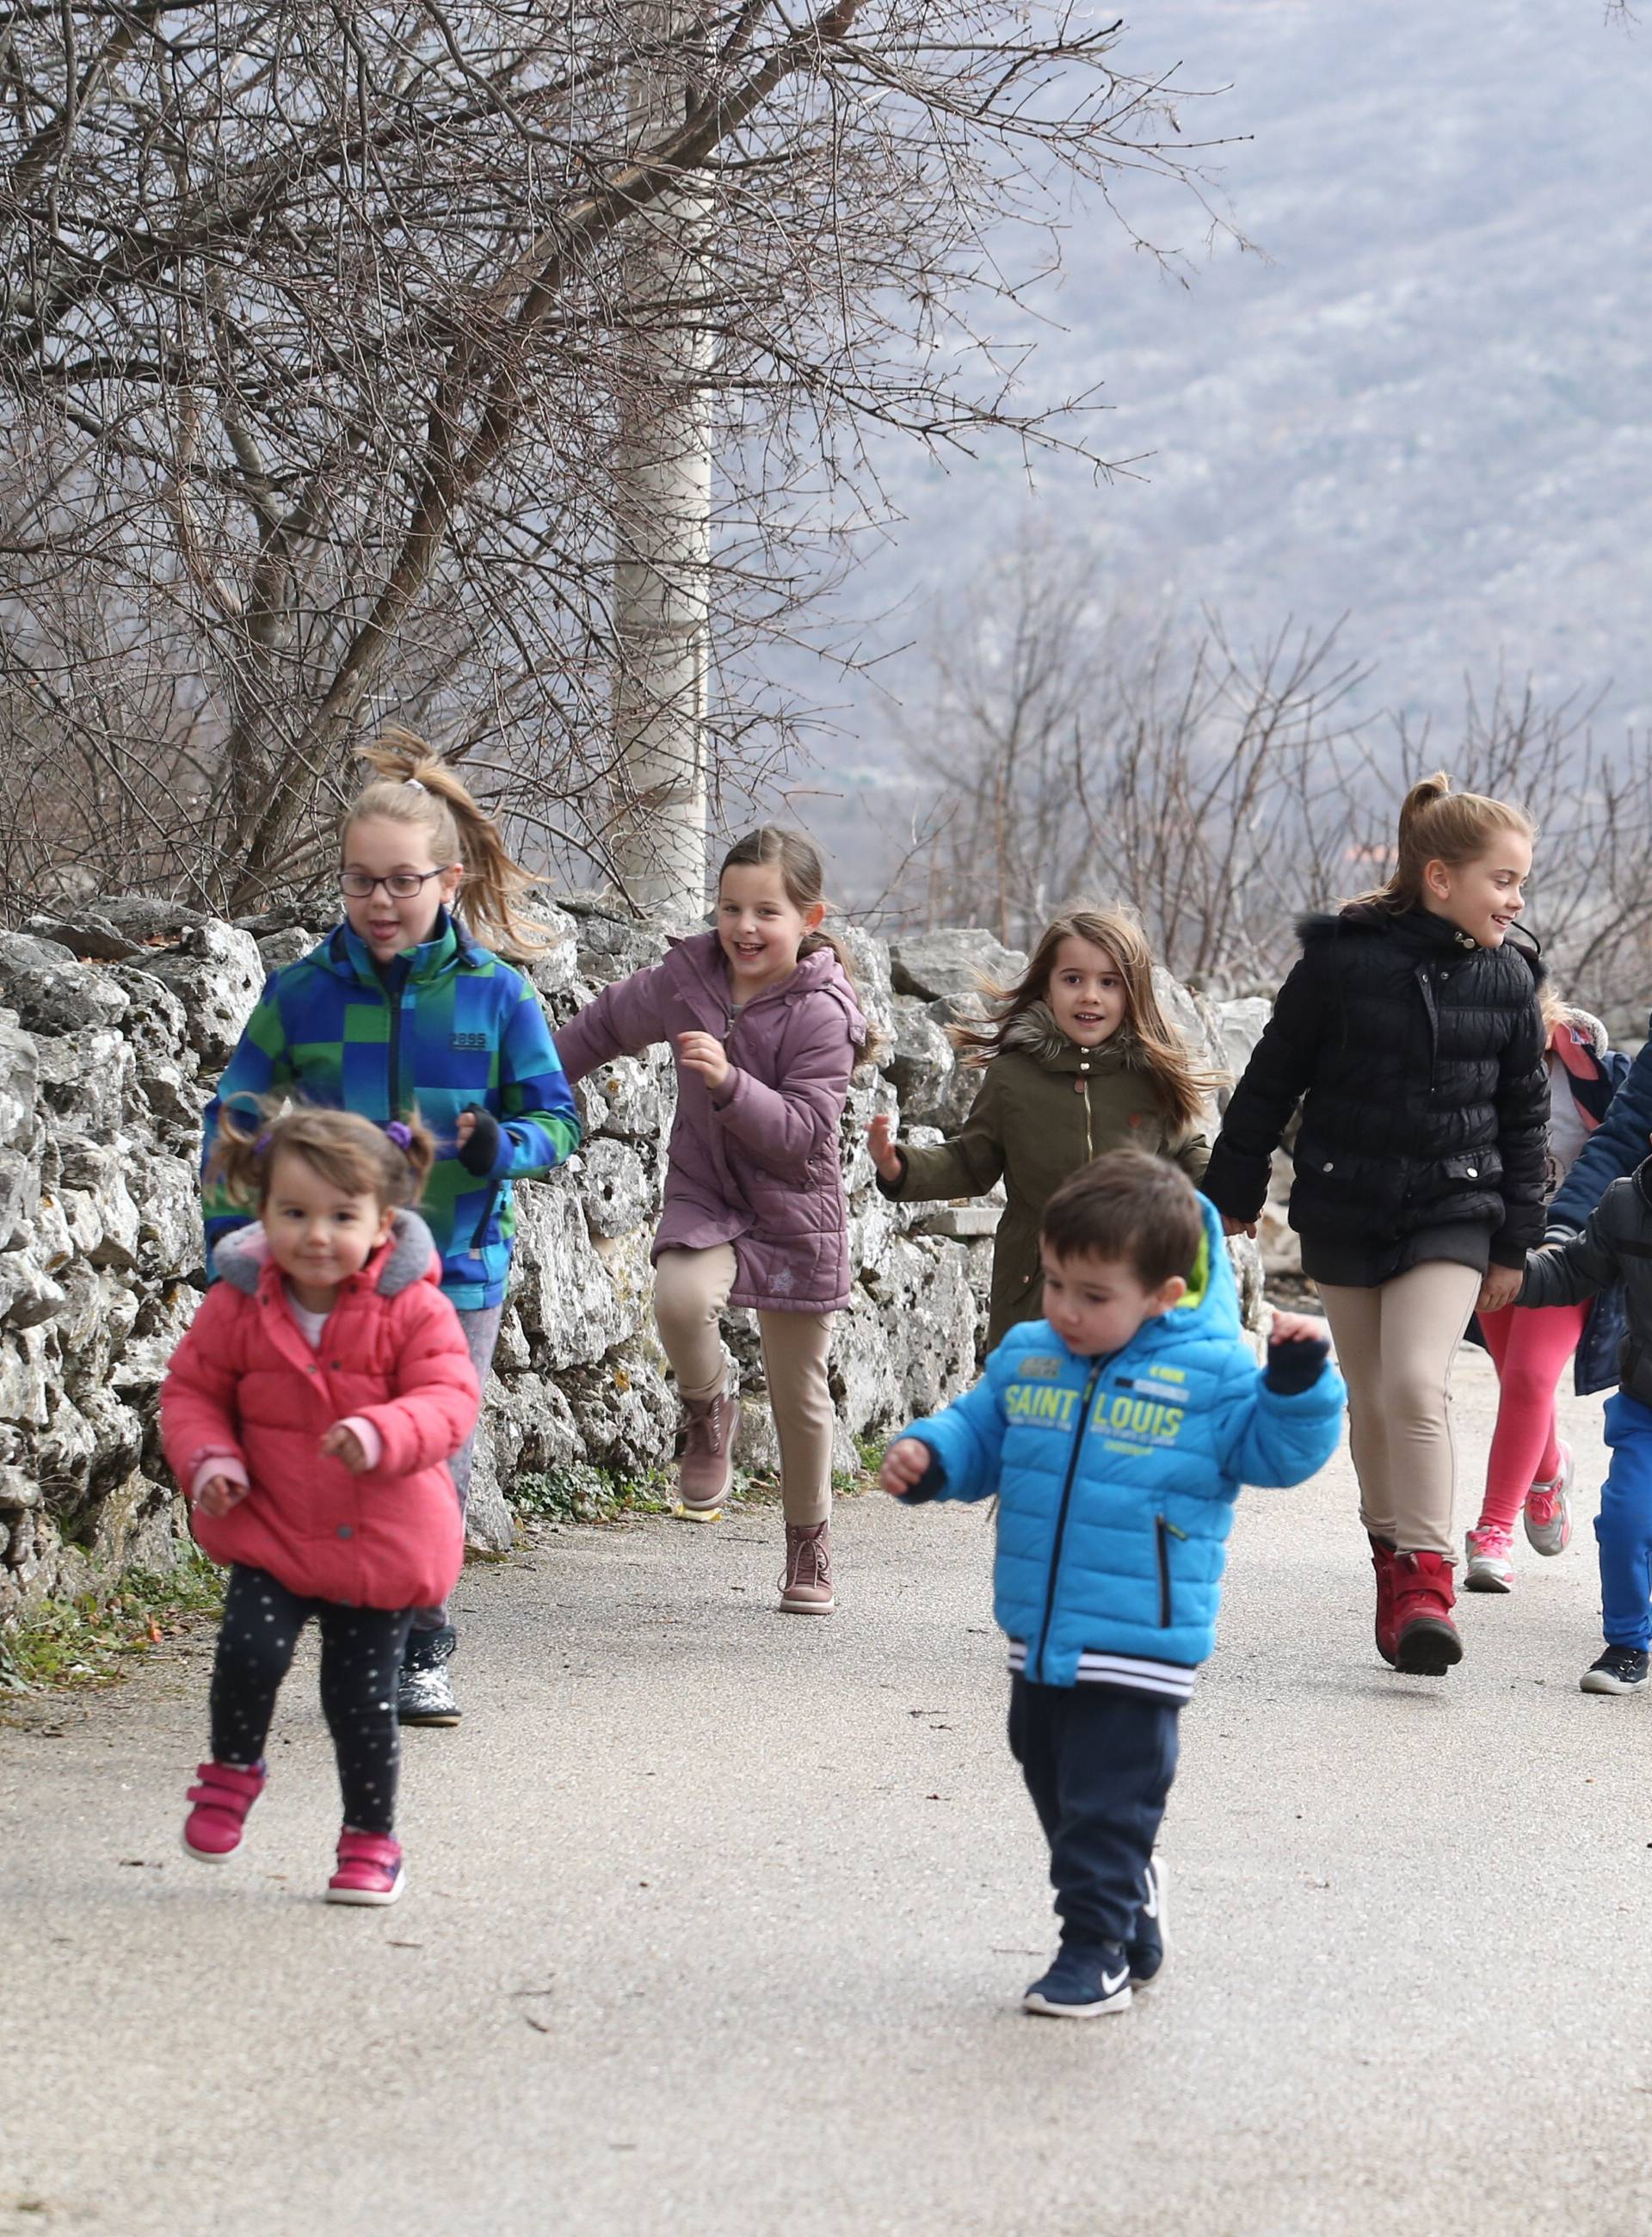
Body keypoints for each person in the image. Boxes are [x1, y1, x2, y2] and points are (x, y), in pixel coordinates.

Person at [879, 1152, 1343, 2018]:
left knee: (1104, 1797)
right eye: (1055, 1283)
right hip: (1039, 1625)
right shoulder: (1032, 1356)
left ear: (1164, 1292)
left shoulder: (1211, 1373)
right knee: (1052, 1774)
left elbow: (1277, 1455)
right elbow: (979, 1433)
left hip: (1141, 1633)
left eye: (1093, 1295)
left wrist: (1297, 1386)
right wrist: (931, 1456)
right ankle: (1128, 1888)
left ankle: (1093, 1952)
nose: (1065, 1308)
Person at [200, 731, 581, 1728]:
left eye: (402, 882)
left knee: (429, 1459)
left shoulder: (497, 995)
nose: (379, 902)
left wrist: (505, 1145)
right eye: (359, 881)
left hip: (455, 1269)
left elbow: (557, 1116)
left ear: (448, 881)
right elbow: (236, 1113)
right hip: (323, 1276)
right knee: (322, 1450)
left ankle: (419, 1642)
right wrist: (229, 1245)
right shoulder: (302, 992)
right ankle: (320, 1609)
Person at [1201, 773, 1548, 1676]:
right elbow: (1272, 1078)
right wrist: (1231, 1187)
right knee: (1370, 1396)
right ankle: (1393, 1567)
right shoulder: (1339, 965)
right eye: (1502, 880)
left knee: (1413, 1382)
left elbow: (1523, 1117)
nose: (1516, 900)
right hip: (1348, 1200)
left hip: (1455, 1205)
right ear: (1441, 877)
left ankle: (1430, 1579)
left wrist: (1514, 1238)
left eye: (1522, 884)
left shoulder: (1509, 978)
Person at [160, 1106, 481, 1906]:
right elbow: (193, 1391)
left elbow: (449, 1398)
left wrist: (383, 1431)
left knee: (359, 1699)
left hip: (380, 1539)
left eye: (342, 1216)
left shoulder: (413, 1308)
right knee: (248, 1653)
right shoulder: (238, 1301)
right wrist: (211, 1461)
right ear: (262, 1212)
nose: (315, 1235)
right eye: (293, 1213)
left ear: (382, 1222)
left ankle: (370, 1839)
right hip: (273, 1524)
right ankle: (233, 1770)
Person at [555, 826, 870, 1615]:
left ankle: (809, 1546)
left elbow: (804, 1134)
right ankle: (707, 1409)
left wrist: (729, 1082)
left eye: (767, 910)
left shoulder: (825, 1013)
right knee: (680, 1300)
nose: (744, 927)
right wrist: (530, 1082)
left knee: (800, 1392)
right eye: (730, 907)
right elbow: (598, 1029)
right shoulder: (686, 976)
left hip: (796, 1208)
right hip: (706, 1190)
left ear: (810, 918)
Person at [868, 906, 1219, 1350]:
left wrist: (1233, 1193)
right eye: (1073, 979)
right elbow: (971, 1163)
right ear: (1047, 988)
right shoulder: (1013, 1077)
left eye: (1109, 982)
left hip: (1130, 1285)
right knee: (1031, 1408)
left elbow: (1188, 1153)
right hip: (1035, 1288)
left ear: (1133, 994)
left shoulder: (1148, 1079)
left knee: (1113, 1408)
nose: (1090, 995)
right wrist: (900, 1166)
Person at [1461, 993, 1628, 1591]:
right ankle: (1549, 1471)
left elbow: (1621, 1150)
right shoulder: (1466, 1063)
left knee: (1532, 1378)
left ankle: (1492, 1531)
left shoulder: (1592, 1072)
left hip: (1571, 1248)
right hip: (1492, 1242)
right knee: (1516, 1382)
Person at [1518, 1142, 1652, 1694]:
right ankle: (1627, 1644)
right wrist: (1508, 1273)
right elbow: (1573, 1268)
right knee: (1625, 1522)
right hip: (1648, 1404)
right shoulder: (1629, 1202)